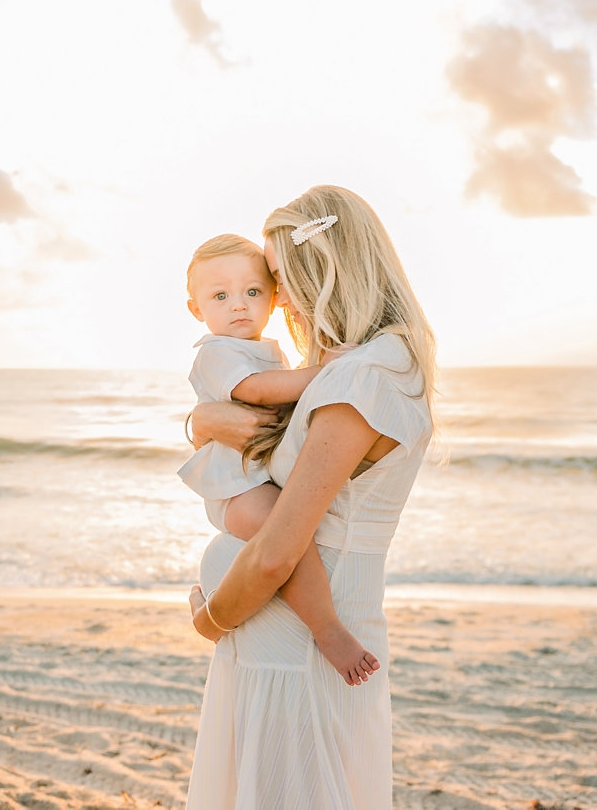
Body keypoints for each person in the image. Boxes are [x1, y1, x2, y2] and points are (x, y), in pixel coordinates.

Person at [185, 185, 437, 810]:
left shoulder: (360, 377)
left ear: (318, 268)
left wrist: (210, 618)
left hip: (297, 644)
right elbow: (254, 436)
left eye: (277, 277)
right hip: (282, 641)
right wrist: (202, 423)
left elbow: (276, 553)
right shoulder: (369, 365)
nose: (276, 297)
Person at [180, 233, 379, 685]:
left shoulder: (267, 350)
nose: (238, 305)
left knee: (289, 535)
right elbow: (256, 391)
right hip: (239, 489)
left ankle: (322, 624)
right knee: (286, 540)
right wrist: (325, 370)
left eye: (253, 292)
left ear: (272, 297)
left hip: (254, 478)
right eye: (220, 296)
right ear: (197, 310)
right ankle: (327, 630)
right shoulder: (216, 352)